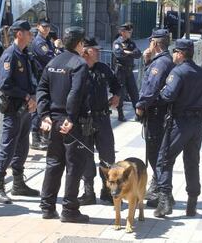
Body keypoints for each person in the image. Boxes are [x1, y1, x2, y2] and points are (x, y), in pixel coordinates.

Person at [153, 39, 202, 218]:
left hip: (180, 123)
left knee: (164, 159)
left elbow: (168, 95)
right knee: (192, 162)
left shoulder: (178, 72)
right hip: (197, 125)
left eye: (175, 52)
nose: (173, 55)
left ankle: (165, 202)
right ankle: (192, 204)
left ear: (180, 53)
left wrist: (160, 93)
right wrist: (199, 116)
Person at [37, 26, 90, 223]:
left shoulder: (52, 62)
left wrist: (44, 115)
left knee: (53, 162)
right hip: (70, 122)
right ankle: (69, 209)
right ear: (79, 44)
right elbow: (75, 94)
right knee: (73, 165)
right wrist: (71, 117)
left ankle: (47, 207)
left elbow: (41, 89)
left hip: (53, 119)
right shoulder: (79, 64)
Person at [0, 20, 39, 204]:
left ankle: (18, 183)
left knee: (22, 146)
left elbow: (32, 78)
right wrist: (26, 96)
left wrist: (32, 97)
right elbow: (4, 85)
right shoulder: (10, 55)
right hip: (14, 109)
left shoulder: (25, 54)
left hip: (26, 108)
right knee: (7, 147)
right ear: (19, 33)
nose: (31, 35)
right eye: (28, 32)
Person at [78, 37, 121, 206]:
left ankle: (107, 191)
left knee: (108, 155)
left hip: (102, 118)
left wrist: (117, 96)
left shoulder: (103, 68)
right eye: (95, 50)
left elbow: (116, 85)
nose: (98, 52)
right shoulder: (78, 69)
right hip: (85, 120)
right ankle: (89, 192)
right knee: (86, 156)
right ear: (86, 51)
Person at [135, 29, 174, 207]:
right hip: (158, 113)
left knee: (155, 152)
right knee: (156, 152)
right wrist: (147, 60)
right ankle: (158, 186)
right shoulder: (160, 61)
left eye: (151, 41)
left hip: (156, 114)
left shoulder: (162, 63)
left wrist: (140, 105)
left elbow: (151, 87)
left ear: (155, 43)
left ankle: (161, 190)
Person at [30, 18, 55, 150]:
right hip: (40, 79)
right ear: (38, 26)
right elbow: (50, 57)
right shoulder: (39, 42)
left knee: (46, 106)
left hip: (47, 78)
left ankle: (44, 135)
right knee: (39, 107)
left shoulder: (47, 41)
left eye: (48, 26)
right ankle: (35, 138)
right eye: (43, 26)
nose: (46, 29)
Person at [113, 22, 142, 121]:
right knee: (120, 93)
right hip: (120, 71)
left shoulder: (131, 43)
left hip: (129, 71)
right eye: (128, 32)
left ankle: (138, 114)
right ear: (122, 32)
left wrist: (127, 52)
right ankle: (120, 114)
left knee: (134, 92)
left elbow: (138, 54)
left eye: (131, 31)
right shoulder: (117, 43)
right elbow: (119, 54)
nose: (130, 33)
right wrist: (130, 53)